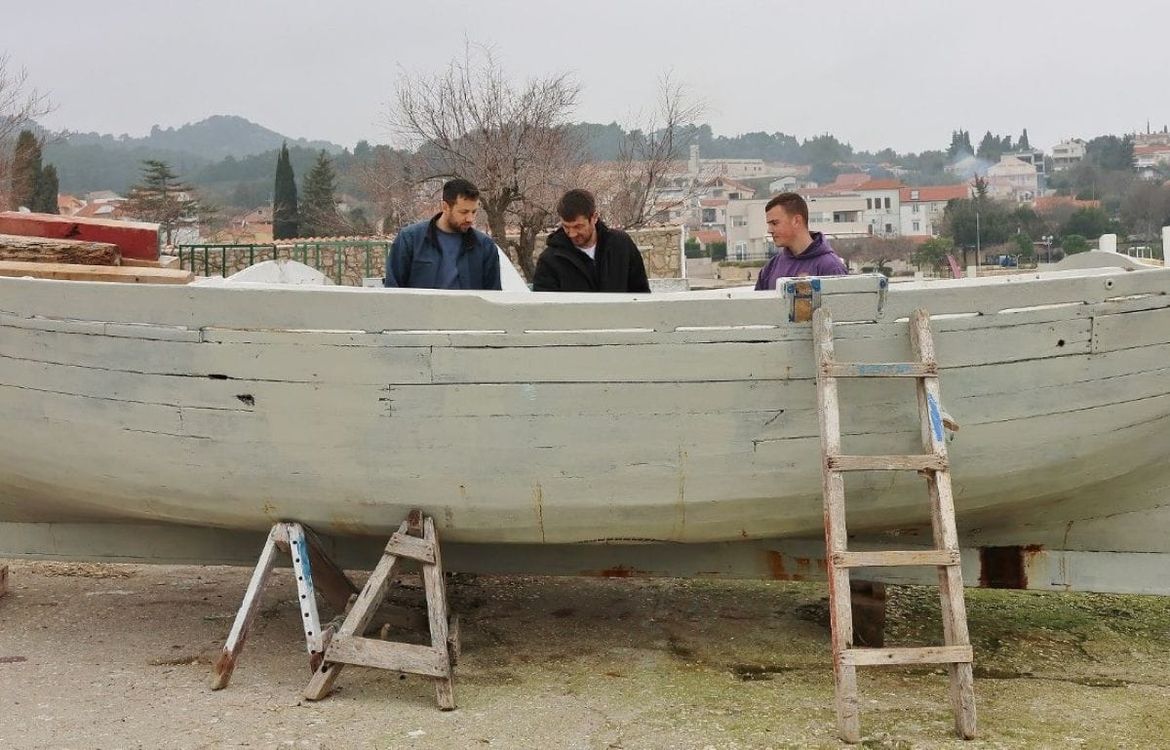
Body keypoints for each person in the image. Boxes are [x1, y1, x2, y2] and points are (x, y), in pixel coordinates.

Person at [383, 178, 502, 290]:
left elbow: (493, 297)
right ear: (445, 207)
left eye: (474, 212)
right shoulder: (410, 239)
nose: (470, 219)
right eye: (464, 212)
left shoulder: (485, 247)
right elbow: (393, 291)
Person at [532, 188, 651, 293]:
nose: (572, 234)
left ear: (594, 218)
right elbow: (546, 307)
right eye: (566, 227)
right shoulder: (549, 260)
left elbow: (641, 293)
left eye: (578, 226)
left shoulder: (621, 245)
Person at [754, 192, 848, 290]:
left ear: (796, 221)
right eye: (769, 224)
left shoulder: (831, 267)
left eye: (774, 223)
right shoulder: (771, 267)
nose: (769, 230)